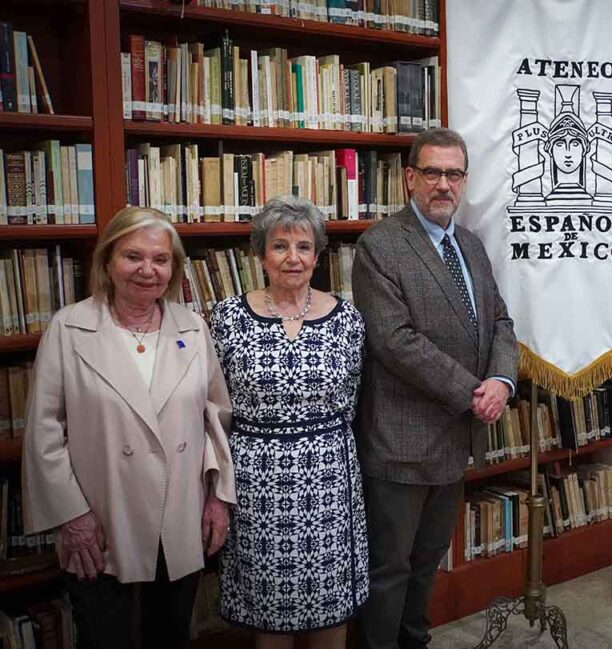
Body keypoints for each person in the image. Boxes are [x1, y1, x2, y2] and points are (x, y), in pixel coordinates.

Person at [21, 206, 235, 649]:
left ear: (174, 268)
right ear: (107, 262)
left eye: (160, 259)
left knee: (171, 635)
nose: (147, 270)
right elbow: (44, 431)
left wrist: (217, 497)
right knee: (104, 637)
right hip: (100, 519)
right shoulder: (69, 327)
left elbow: (216, 418)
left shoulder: (192, 327)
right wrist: (72, 516)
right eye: (133, 256)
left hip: (179, 513)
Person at [352, 127, 518, 649]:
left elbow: (500, 322)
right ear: (409, 178)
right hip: (402, 440)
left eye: (453, 174)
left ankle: (413, 640)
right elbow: (394, 341)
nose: (443, 184)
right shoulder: (379, 245)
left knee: (428, 561)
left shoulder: (469, 244)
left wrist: (502, 380)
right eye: (432, 172)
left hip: (455, 438)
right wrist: (475, 391)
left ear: (464, 180)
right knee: (390, 567)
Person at [209, 195, 367, 648]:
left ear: (318, 256)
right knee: (269, 611)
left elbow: (352, 400)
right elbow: (214, 403)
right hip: (257, 482)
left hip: (330, 482)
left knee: (330, 605)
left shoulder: (348, 319)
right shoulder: (226, 318)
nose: (292, 258)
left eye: (303, 246)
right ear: (260, 254)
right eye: (280, 246)